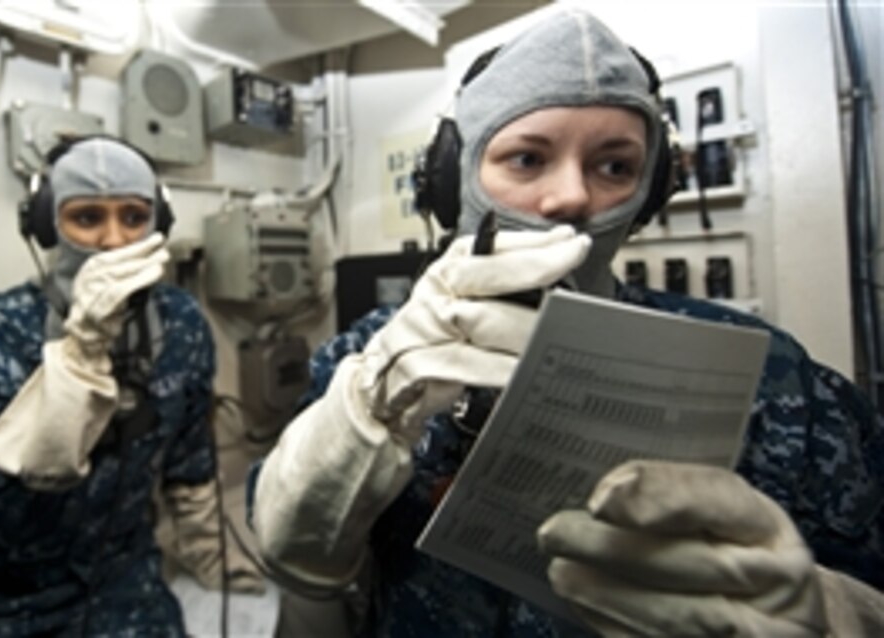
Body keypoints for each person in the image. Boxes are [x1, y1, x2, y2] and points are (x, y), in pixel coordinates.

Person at [248, 6, 884, 636]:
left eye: (615, 167)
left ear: (650, 189)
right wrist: (362, 416)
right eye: (526, 159)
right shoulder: (371, 354)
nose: (572, 197)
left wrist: (831, 610)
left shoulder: (773, 378)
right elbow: (297, 556)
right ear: (453, 179)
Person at [0, 137, 261, 637]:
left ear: (160, 222)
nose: (114, 240)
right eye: (87, 218)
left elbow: (190, 463)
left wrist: (212, 554)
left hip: (121, 578)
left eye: (134, 217)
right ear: (47, 225)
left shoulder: (180, 325)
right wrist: (81, 351)